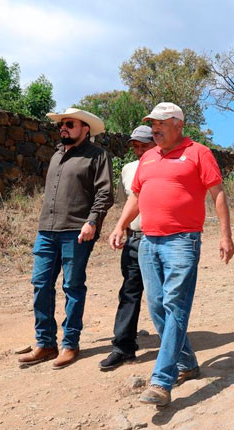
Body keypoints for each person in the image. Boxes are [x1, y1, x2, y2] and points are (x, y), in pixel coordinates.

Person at [109, 102, 234, 406]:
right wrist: (120, 225)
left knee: (175, 305)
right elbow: (137, 195)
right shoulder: (148, 157)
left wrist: (226, 235)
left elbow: (217, 193)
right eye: (152, 123)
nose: (154, 128)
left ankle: (162, 381)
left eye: (161, 123)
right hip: (148, 243)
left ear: (178, 124)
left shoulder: (198, 153)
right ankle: (187, 363)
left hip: (182, 241)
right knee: (157, 307)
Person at [18, 108, 113, 369]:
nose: (63, 128)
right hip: (47, 231)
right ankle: (46, 343)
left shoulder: (98, 156)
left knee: (72, 287)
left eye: (69, 124)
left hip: (77, 231)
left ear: (85, 128)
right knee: (40, 284)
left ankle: (70, 344)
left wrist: (92, 222)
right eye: (61, 124)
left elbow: (105, 193)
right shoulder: (57, 154)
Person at [99, 126, 156, 370]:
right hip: (134, 238)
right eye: (135, 145)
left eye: (144, 145)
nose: (139, 150)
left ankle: (175, 348)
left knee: (162, 295)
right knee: (129, 292)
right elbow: (127, 203)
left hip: (159, 239)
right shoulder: (128, 169)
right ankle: (123, 348)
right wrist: (121, 228)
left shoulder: (165, 164)